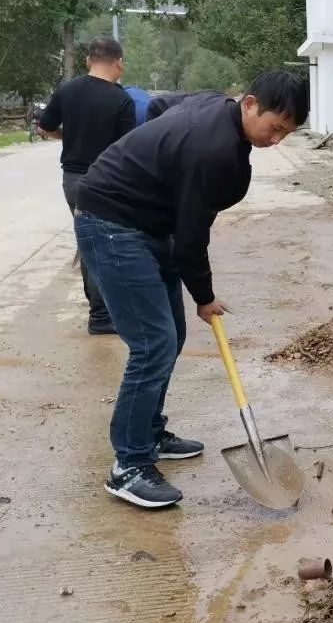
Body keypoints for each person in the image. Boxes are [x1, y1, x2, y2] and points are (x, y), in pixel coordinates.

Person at [73, 70, 309, 509]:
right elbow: (191, 238)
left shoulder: (214, 104)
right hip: (111, 223)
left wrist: (155, 161)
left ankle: (149, 432)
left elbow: (160, 108)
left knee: (171, 337)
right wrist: (204, 296)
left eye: (286, 134)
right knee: (153, 343)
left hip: (144, 224)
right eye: (275, 127)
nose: (276, 140)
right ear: (251, 103)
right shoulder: (214, 152)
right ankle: (128, 465)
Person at [39, 36, 137, 334]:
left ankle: (101, 313)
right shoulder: (121, 100)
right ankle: (102, 316)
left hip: (73, 180)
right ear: (118, 62)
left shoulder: (67, 90)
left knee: (89, 243)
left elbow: (44, 127)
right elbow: (127, 150)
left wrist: (67, 137)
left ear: (88, 61)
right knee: (105, 246)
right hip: (106, 181)